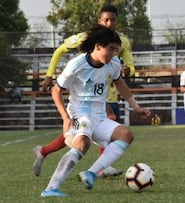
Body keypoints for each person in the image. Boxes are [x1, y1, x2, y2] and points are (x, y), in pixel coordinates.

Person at [40, 25, 151, 197]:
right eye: (111, 49)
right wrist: (65, 118)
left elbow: (120, 84)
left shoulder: (113, 63)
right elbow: (56, 90)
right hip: (79, 114)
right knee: (82, 143)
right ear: (97, 46)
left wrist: (136, 106)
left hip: (99, 117)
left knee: (126, 135)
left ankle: (91, 173)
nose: (115, 53)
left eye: (117, 50)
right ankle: (51, 189)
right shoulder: (77, 64)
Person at [33, 5, 136, 178]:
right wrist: (50, 75)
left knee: (88, 132)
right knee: (84, 133)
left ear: (118, 22)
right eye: (106, 20)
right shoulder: (84, 38)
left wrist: (128, 71)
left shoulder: (122, 41)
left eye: (113, 20)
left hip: (108, 92)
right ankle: (101, 167)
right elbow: (59, 51)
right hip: (85, 96)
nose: (109, 23)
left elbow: (130, 67)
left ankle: (43, 152)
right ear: (99, 21)